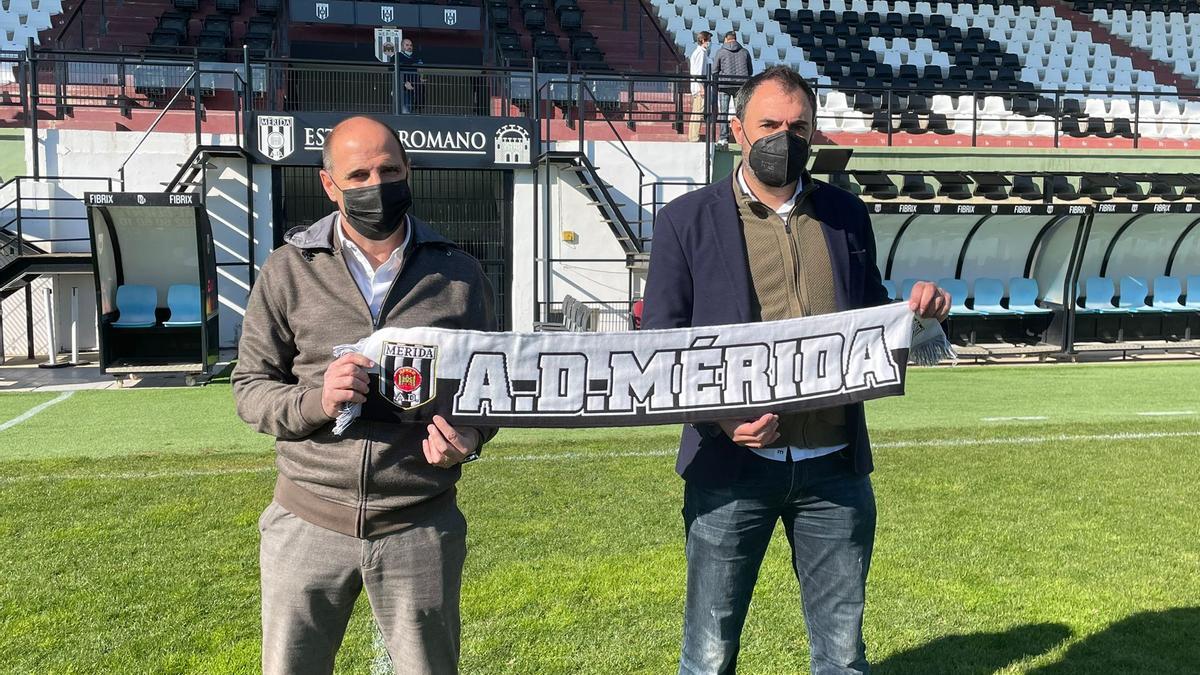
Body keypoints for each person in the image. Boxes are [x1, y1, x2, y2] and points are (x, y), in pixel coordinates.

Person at [642, 66, 950, 675]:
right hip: (729, 468)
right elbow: (660, 345)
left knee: (841, 655)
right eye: (770, 124)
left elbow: (870, 314)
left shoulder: (844, 213)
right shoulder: (685, 219)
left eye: (798, 126)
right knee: (708, 654)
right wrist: (722, 417)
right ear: (736, 130)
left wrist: (919, 318)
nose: (785, 137)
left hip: (835, 467)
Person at [232, 115, 496, 675]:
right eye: (358, 174)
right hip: (305, 522)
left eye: (389, 169)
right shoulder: (287, 270)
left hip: (419, 525)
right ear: (330, 185)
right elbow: (250, 389)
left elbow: (487, 390)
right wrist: (315, 402)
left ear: (409, 172)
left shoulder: (461, 274)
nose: (377, 184)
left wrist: (469, 438)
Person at [710, 31, 753, 147]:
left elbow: (714, 70)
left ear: (725, 39)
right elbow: (750, 70)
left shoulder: (720, 52)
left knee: (723, 112)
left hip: (724, 85)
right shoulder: (745, 52)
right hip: (740, 86)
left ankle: (724, 138)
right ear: (735, 39)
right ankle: (742, 137)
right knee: (740, 113)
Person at [688, 30, 712, 142]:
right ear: (703, 40)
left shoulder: (698, 53)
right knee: (698, 112)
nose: (709, 43)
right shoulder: (701, 53)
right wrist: (702, 87)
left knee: (696, 112)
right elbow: (698, 72)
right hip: (700, 87)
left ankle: (693, 136)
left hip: (697, 86)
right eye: (708, 40)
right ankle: (694, 137)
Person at [398, 37, 422, 113]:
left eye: (411, 45)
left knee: (411, 110)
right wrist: (404, 82)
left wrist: (419, 79)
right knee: (405, 111)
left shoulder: (414, 57)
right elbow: (394, 71)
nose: (409, 47)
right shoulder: (397, 56)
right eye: (407, 45)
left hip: (413, 89)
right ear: (402, 47)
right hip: (403, 89)